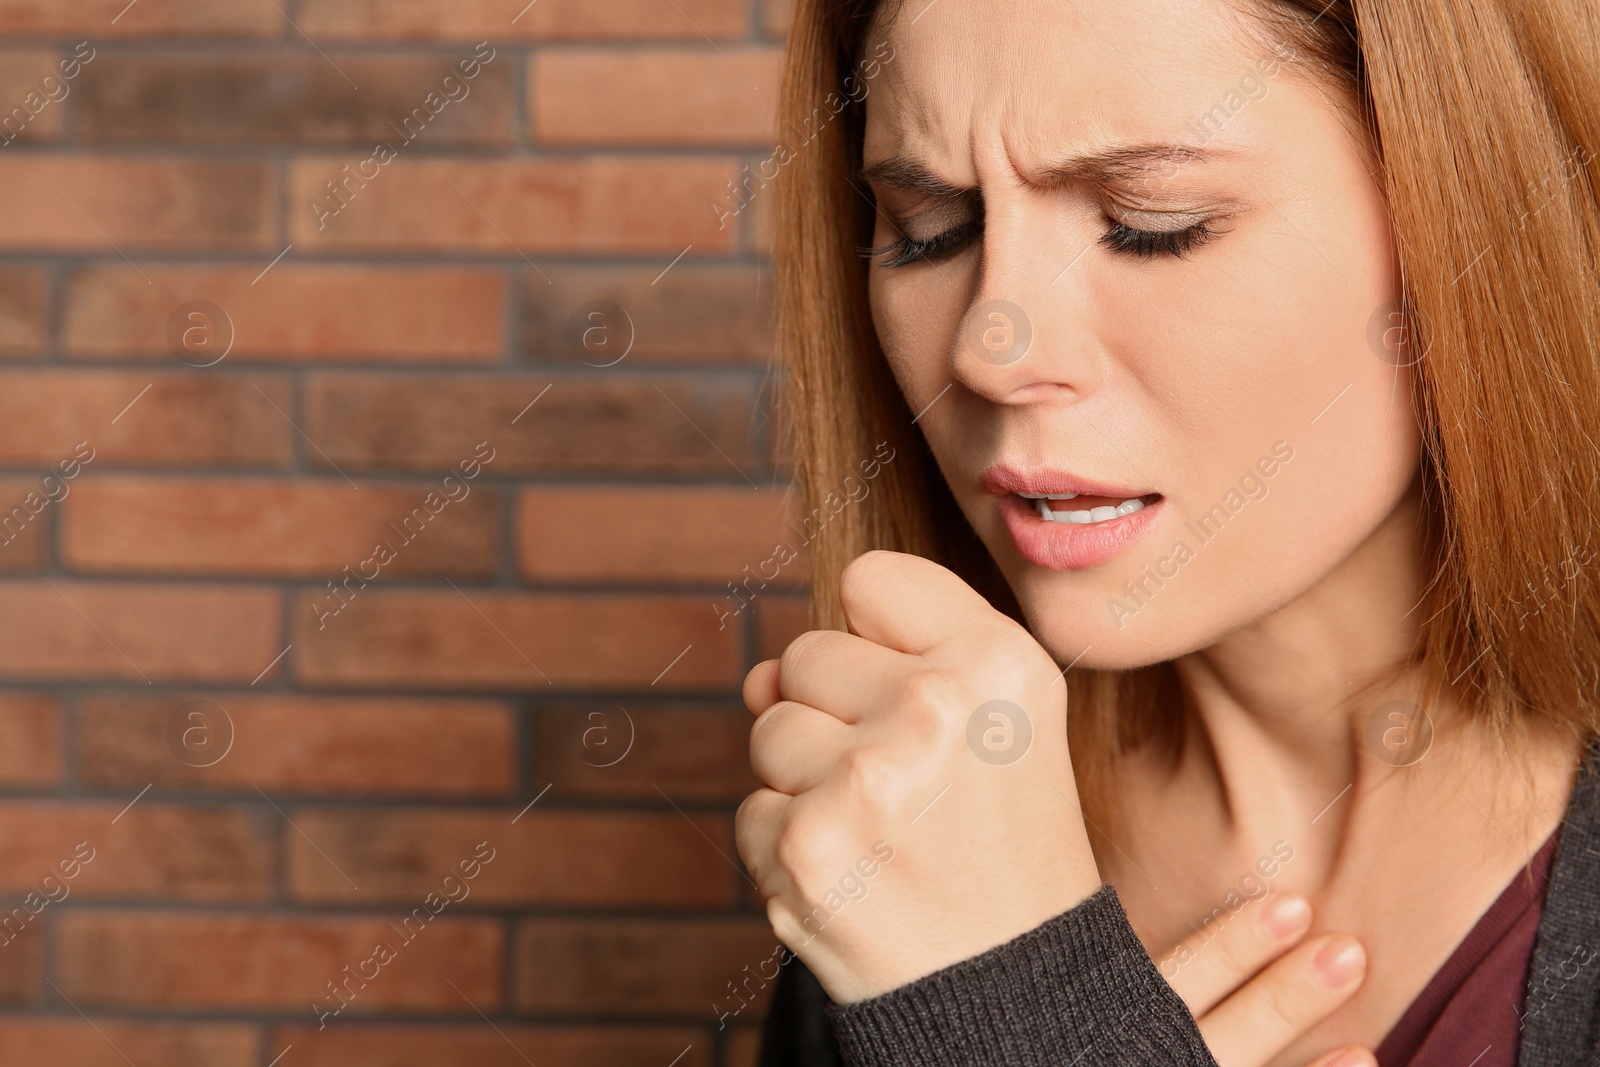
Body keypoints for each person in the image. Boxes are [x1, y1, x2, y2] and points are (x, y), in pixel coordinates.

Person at [735, 0, 1600, 1064]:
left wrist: (1016, 1013)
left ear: (1468, 214)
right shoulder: (910, 833)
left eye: (1153, 222)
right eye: (930, 230)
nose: (989, 348)